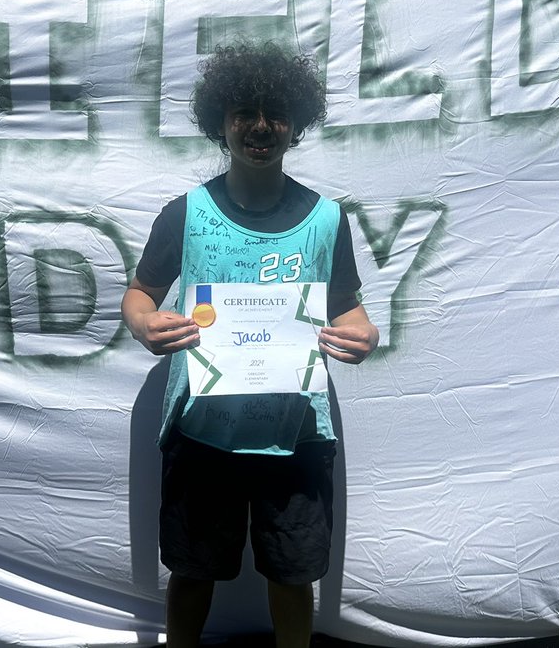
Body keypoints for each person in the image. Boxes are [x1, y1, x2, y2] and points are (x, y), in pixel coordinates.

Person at [121, 42, 379, 648]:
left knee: (293, 575)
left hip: (295, 430)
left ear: (297, 123)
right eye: (243, 112)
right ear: (220, 122)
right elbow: (140, 294)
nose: (260, 127)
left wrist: (364, 332)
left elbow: (348, 305)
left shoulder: (326, 218)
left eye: (276, 113)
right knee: (191, 570)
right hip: (202, 427)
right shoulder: (186, 213)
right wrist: (143, 324)